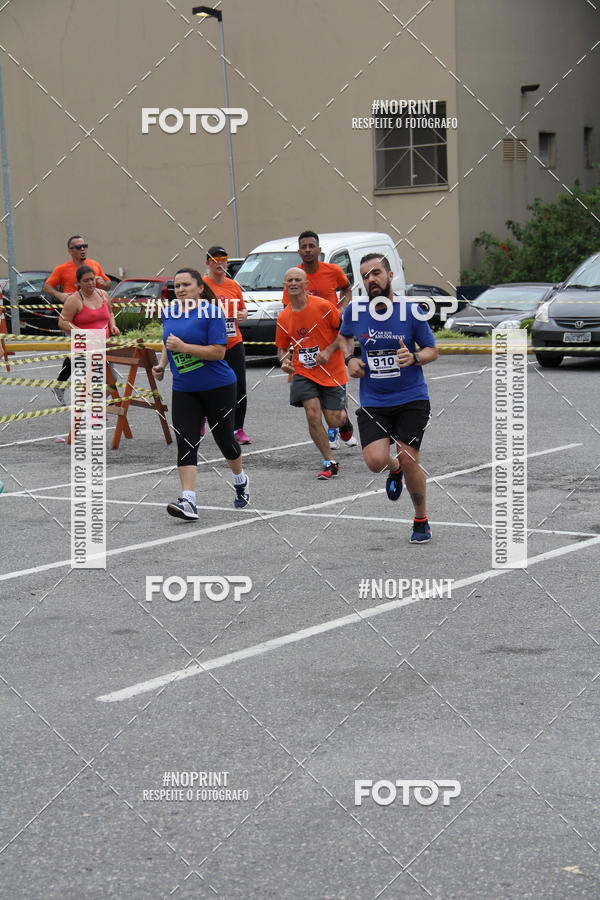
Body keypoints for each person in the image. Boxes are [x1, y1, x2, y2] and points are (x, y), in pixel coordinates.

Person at [338, 253, 438, 543]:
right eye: (366, 275)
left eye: (376, 273)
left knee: (409, 459)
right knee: (376, 461)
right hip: (374, 400)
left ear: (390, 275)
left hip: (411, 398)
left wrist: (416, 356)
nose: (371, 279)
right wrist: (349, 358)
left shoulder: (411, 312)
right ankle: (392, 470)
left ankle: (421, 520)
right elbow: (344, 336)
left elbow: (433, 350)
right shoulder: (355, 311)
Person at [152, 267, 250, 518]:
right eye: (177, 286)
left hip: (218, 386)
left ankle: (240, 480)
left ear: (200, 288)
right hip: (184, 388)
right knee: (186, 439)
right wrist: (163, 365)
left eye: (186, 285)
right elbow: (168, 341)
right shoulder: (170, 312)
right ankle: (189, 500)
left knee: (224, 439)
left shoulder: (212, 313)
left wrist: (185, 347)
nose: (181, 289)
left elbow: (218, 352)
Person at [276, 267, 355, 479]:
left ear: (306, 285)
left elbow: (345, 333)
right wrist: (285, 362)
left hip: (332, 370)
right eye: (289, 280)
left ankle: (344, 421)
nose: (293, 283)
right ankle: (329, 461)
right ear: (285, 286)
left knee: (333, 418)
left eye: (297, 280)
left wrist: (328, 351)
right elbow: (282, 348)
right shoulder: (284, 317)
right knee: (312, 414)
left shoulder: (324, 306)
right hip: (305, 371)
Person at [282, 229, 355, 450]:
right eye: (303, 247)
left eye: (311, 246)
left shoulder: (332, 270)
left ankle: (340, 423)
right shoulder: (295, 276)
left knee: (332, 388)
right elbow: (288, 310)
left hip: (331, 335)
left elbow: (347, 289)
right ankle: (331, 433)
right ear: (299, 251)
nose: (307, 250)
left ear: (319, 249)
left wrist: (341, 307)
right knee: (313, 400)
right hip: (307, 341)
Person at [44, 236, 112, 405]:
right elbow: (47, 286)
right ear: (70, 251)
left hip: (95, 314)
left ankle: (96, 394)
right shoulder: (62, 269)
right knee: (80, 356)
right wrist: (60, 295)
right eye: (78, 247)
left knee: (80, 356)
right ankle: (95, 398)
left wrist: (105, 283)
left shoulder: (94, 265)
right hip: (74, 315)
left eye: (85, 246)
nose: (83, 249)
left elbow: (107, 284)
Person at [203, 245, 251, 444]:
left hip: (233, 341)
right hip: (211, 343)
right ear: (208, 263)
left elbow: (243, 310)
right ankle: (203, 416)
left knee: (239, 385)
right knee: (209, 384)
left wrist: (243, 315)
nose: (219, 262)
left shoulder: (233, 285)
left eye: (223, 258)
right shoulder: (202, 285)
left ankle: (238, 428)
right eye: (215, 259)